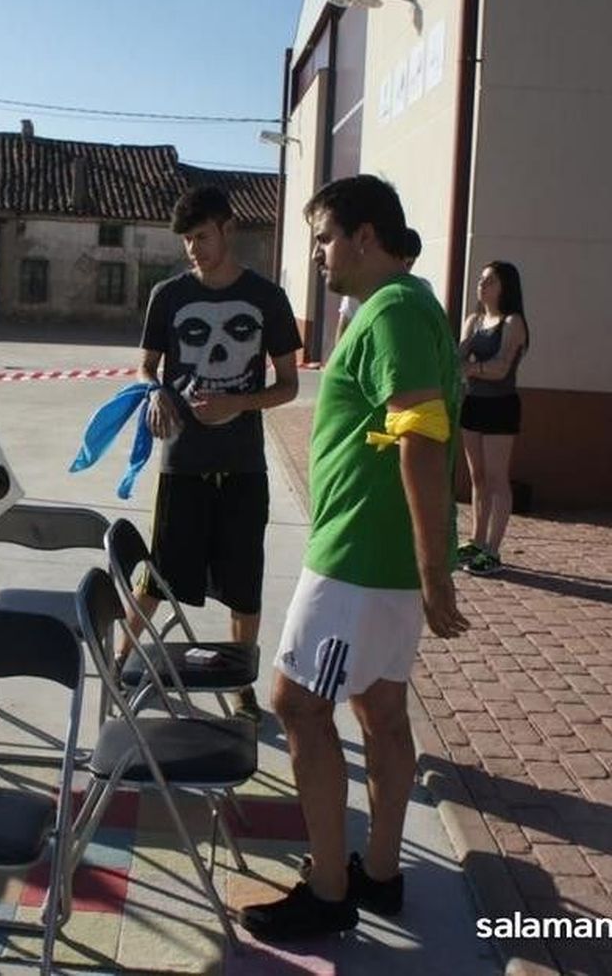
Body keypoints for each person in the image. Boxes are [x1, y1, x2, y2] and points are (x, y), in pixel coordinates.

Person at [239, 175, 469, 941]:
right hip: (380, 561)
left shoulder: (395, 310)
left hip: (357, 562)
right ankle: (379, 873)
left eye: (325, 238)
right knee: (379, 711)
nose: (318, 254)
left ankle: (332, 889)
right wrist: (427, 566)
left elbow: (422, 437)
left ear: (366, 237)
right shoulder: (414, 305)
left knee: (298, 704)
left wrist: (436, 571)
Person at [125, 185, 302, 718]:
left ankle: (241, 679)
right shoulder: (169, 296)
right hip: (182, 461)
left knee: (244, 580)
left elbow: (290, 385)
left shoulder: (267, 298)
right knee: (159, 573)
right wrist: (155, 391)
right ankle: (122, 660)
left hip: (244, 464)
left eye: (201, 237)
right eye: (186, 241)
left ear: (228, 228)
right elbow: (145, 366)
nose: (193, 249)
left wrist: (239, 403)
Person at [456, 260, 529, 575]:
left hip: (501, 406)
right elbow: (457, 357)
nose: (481, 285)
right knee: (478, 477)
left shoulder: (513, 323)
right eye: (481, 280)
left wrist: (471, 368)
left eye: (490, 281)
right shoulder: (473, 321)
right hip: (473, 403)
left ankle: (493, 550)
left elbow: (501, 368)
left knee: (498, 478)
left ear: (505, 287)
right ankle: (475, 540)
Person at [335, 226, 421, 344]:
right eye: (403, 261)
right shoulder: (362, 286)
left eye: (410, 263)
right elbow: (343, 330)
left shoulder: (421, 289)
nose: (405, 268)